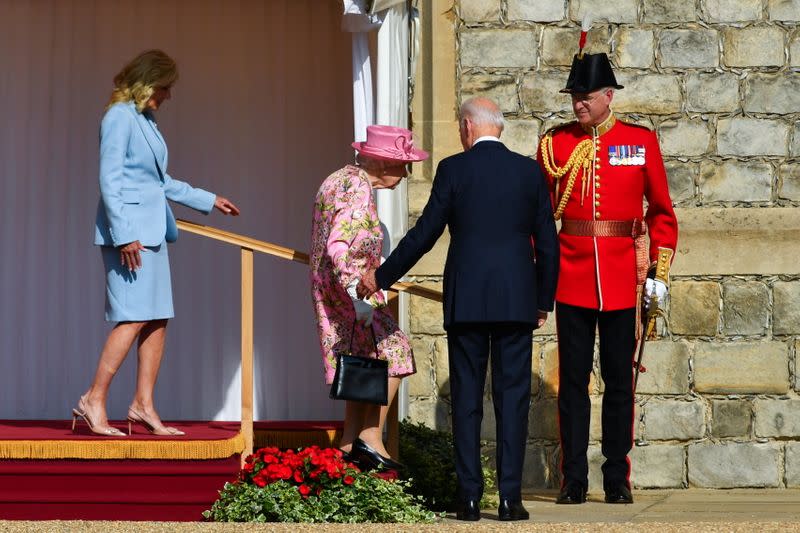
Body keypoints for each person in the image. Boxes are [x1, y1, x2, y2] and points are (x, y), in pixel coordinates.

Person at [359, 97, 559, 521]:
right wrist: (543, 300)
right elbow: (548, 242)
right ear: (497, 128)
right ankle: (510, 499)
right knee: (513, 400)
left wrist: (381, 275)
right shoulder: (528, 170)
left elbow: (424, 235)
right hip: (515, 300)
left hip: (467, 300)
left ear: (469, 127)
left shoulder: (454, 169)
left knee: (466, 399)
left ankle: (468, 498)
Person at [74, 49, 240, 437]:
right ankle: (93, 399)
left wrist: (208, 199)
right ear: (147, 82)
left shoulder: (145, 120)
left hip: (151, 233)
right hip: (129, 236)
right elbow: (109, 179)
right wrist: (124, 233)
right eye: (165, 87)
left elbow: (159, 181)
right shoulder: (118, 118)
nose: (168, 96)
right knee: (132, 317)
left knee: (157, 318)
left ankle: (142, 404)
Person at [537, 50, 678, 504]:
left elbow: (661, 213)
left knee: (620, 383)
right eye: (574, 96)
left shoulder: (639, 141)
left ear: (607, 96)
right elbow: (537, 213)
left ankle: (617, 475)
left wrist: (659, 271)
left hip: (622, 279)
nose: (577, 104)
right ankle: (573, 478)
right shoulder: (555, 144)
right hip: (572, 277)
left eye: (584, 96)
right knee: (573, 385)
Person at [309, 124, 428, 470]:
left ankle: (348, 441)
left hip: (335, 294)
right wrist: (356, 295)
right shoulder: (357, 187)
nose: (406, 173)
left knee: (362, 362)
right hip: (353, 294)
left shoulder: (339, 178)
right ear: (381, 162)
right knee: (396, 351)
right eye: (403, 164)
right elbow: (337, 244)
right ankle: (370, 436)